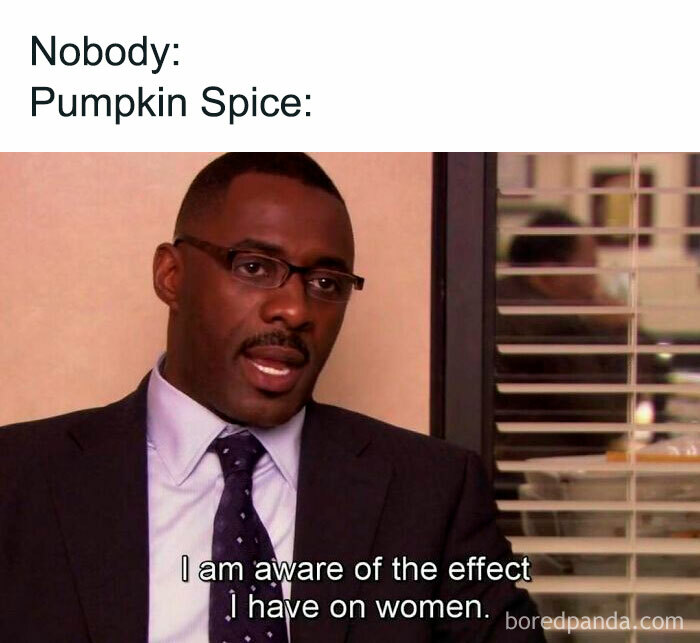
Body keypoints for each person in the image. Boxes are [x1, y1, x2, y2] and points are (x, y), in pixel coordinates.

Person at [0, 153, 543, 642]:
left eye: (326, 283)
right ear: (171, 275)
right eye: (255, 267)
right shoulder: (17, 479)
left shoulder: (431, 494)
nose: (296, 310)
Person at [495, 210, 668, 461]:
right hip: (540, 474)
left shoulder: (499, 302)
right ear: (550, 273)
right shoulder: (553, 326)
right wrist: (624, 330)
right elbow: (607, 418)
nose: (594, 281)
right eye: (589, 267)